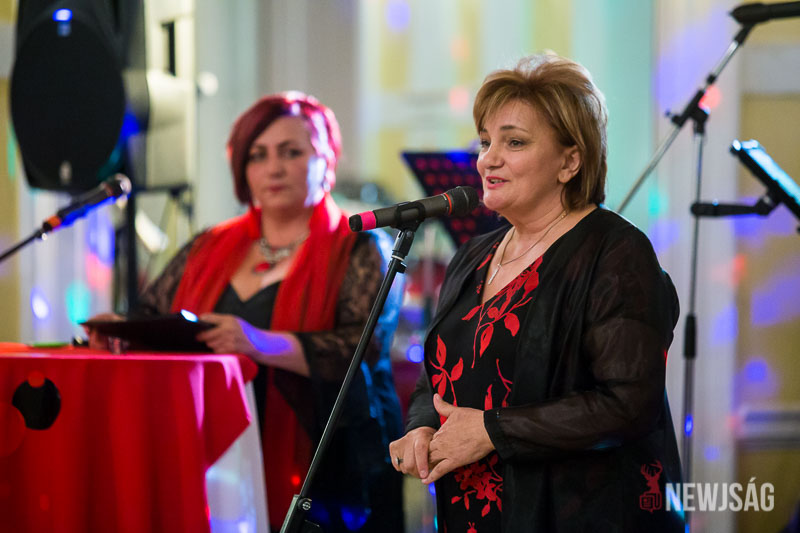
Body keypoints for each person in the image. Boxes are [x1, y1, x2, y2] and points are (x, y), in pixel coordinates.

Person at [390, 54, 684, 532]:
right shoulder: (474, 255)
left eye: (515, 142)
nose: (488, 159)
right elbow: (435, 375)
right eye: (485, 141)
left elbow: (628, 405)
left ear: (570, 161)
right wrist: (421, 427)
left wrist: (492, 431)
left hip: (579, 514)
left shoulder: (616, 253)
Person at [95, 92, 404, 532]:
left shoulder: (362, 246)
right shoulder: (208, 246)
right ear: (243, 168)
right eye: (258, 155)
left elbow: (358, 352)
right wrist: (120, 332)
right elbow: (150, 319)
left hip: (330, 467)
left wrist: (256, 342)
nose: (274, 168)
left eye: (291, 152)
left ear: (325, 160)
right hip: (216, 453)